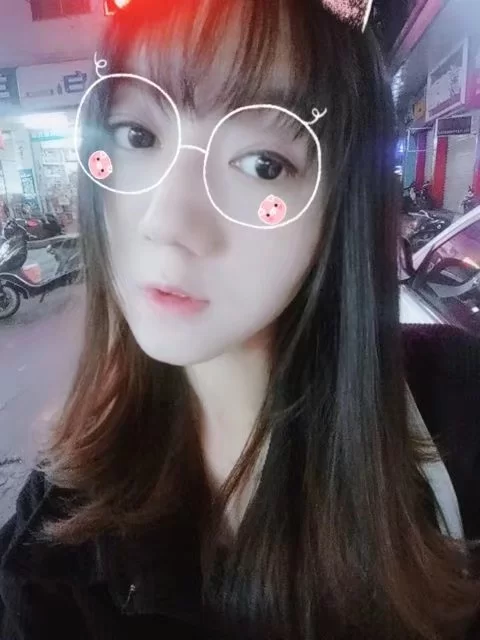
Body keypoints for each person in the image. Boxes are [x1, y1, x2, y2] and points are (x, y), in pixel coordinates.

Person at [1, 1, 480, 638]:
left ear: (342, 203)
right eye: (138, 136)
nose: (167, 222)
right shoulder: (58, 526)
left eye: (263, 164)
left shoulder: (456, 409)